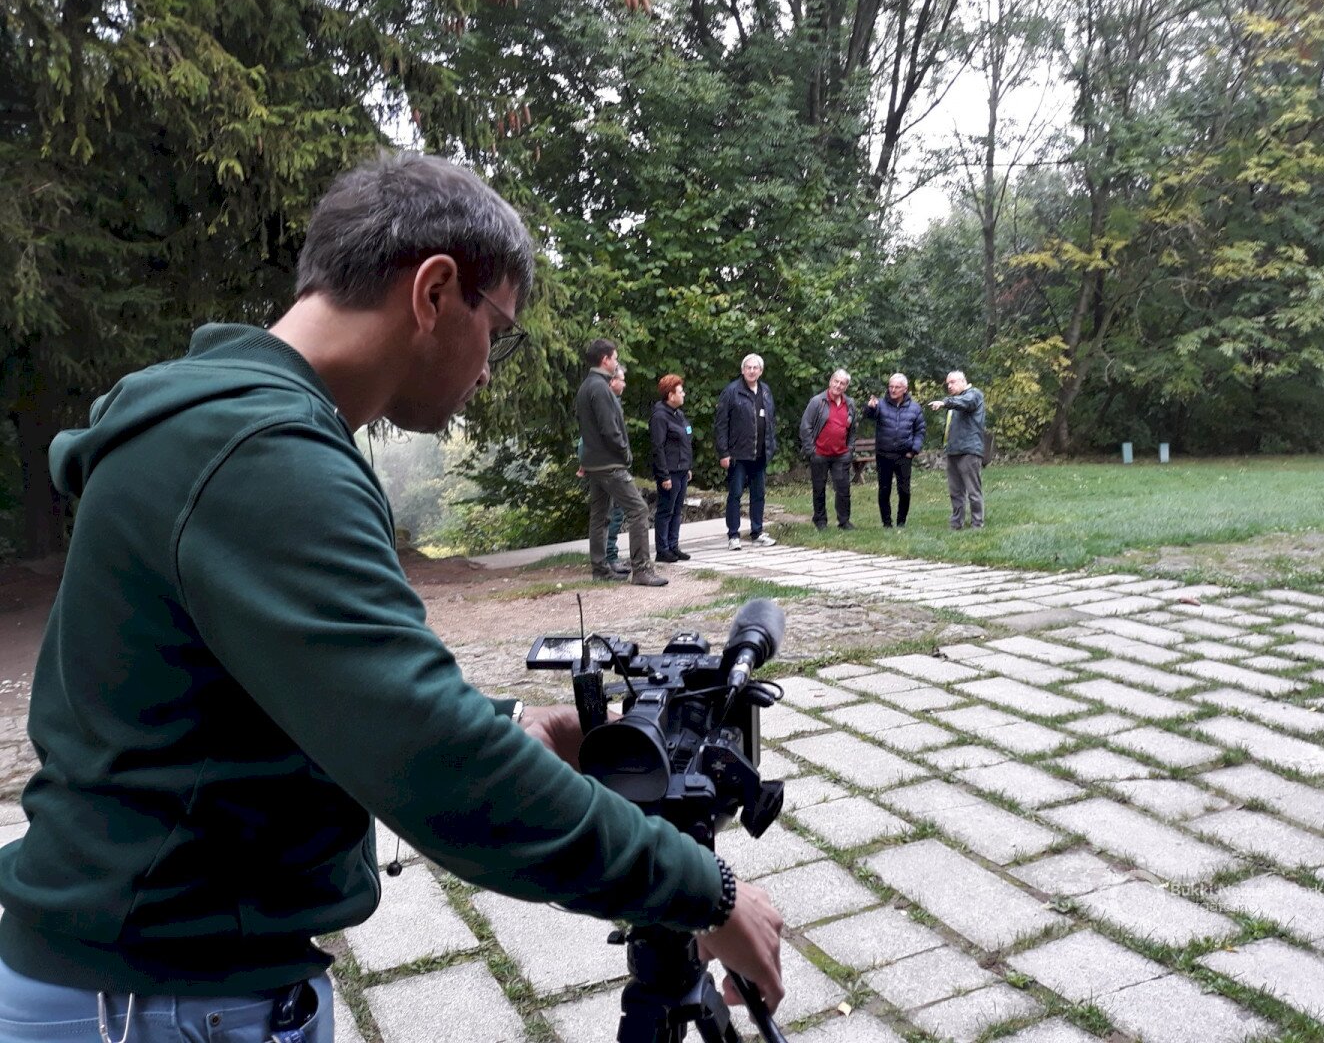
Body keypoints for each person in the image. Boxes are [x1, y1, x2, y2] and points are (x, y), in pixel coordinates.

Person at [0, 153, 783, 1040]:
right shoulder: (262, 456)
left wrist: (510, 722)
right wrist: (704, 890)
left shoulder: (230, 428)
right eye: (499, 331)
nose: (489, 369)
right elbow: (440, 766)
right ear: (434, 291)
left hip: (165, 977)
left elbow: (317, 698)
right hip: (153, 1001)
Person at [576, 340, 667, 587]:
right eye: (615, 358)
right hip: (610, 464)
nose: (616, 362)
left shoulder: (586, 387)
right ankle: (642, 570)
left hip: (594, 463)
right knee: (639, 510)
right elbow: (609, 429)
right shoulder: (601, 388)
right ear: (605, 359)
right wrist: (624, 453)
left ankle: (600, 570)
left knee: (599, 516)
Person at [714, 354, 777, 551]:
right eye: (748, 367)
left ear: (761, 371)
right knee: (735, 494)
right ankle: (733, 535)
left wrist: (771, 446)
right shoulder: (731, 391)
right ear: (742, 370)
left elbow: (771, 421)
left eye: (755, 368)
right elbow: (721, 424)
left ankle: (757, 532)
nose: (751, 371)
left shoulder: (765, 391)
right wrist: (723, 452)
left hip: (760, 453)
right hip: (738, 454)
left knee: (758, 494)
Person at [577, 365, 631, 576]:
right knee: (618, 513)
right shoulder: (603, 400)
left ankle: (608, 560)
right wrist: (624, 454)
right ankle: (609, 559)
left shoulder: (612, 400)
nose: (624, 384)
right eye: (622, 380)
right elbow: (592, 436)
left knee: (609, 514)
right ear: (612, 381)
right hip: (608, 466)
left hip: (606, 464)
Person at [864, 373, 926, 528]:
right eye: (891, 386)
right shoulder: (880, 404)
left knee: (904, 491)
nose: (893, 390)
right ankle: (886, 523)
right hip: (884, 454)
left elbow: (920, 430)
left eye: (897, 387)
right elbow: (869, 415)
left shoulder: (915, 408)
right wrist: (870, 407)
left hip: (904, 455)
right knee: (884, 490)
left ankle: (901, 522)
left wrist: (914, 450)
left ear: (905, 389)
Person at [798, 370, 857, 530]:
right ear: (830, 381)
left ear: (846, 386)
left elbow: (853, 429)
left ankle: (844, 521)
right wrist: (811, 450)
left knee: (843, 489)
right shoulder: (817, 402)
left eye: (842, 383)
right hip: (819, 453)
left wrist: (850, 449)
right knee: (819, 488)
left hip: (841, 454)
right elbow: (805, 427)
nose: (838, 385)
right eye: (836, 381)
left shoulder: (849, 403)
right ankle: (820, 521)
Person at [930, 370, 987, 530]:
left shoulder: (973, 394)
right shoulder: (955, 401)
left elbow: (966, 403)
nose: (949, 386)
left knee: (973, 490)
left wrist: (945, 402)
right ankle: (956, 523)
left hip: (969, 450)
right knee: (955, 491)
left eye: (953, 382)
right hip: (953, 451)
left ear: (963, 381)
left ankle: (977, 523)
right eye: (948, 383)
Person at [650, 373, 693, 563]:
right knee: (666, 510)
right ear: (670, 395)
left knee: (677, 510)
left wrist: (687, 466)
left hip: (682, 469)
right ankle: (662, 549)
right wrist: (664, 475)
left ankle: (673, 545)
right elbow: (657, 447)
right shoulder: (659, 416)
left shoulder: (679, 415)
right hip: (669, 471)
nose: (683, 394)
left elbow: (685, 440)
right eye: (680, 391)